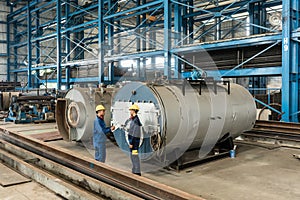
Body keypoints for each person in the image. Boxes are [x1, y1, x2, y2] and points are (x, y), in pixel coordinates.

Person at [126, 104, 142, 176]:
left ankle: (137, 172)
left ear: (134, 111)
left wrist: (131, 143)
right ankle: (134, 170)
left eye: (131, 110)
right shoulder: (134, 119)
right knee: (133, 157)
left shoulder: (136, 121)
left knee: (134, 157)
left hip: (134, 144)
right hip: (134, 143)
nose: (130, 112)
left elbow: (134, 133)